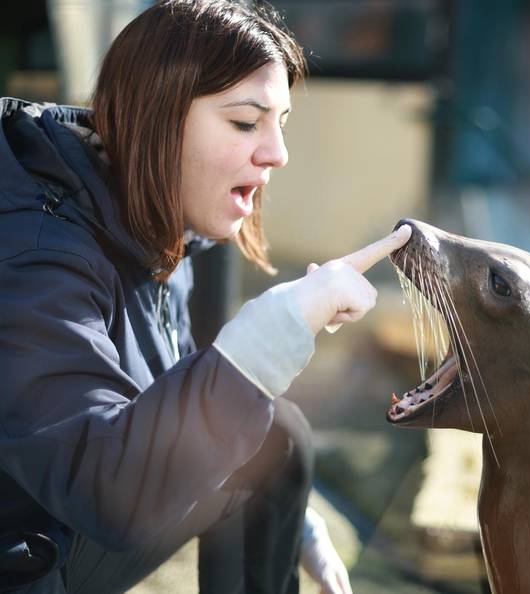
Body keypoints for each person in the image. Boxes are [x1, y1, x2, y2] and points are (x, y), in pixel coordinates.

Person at [0, 1, 410, 592]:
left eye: (281, 123)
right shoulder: (33, 253)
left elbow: (175, 406)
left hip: (60, 534)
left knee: (272, 442)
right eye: (246, 123)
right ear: (155, 119)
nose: (277, 154)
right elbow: (108, 491)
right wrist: (269, 336)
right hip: (27, 554)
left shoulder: (158, 223)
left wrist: (288, 521)